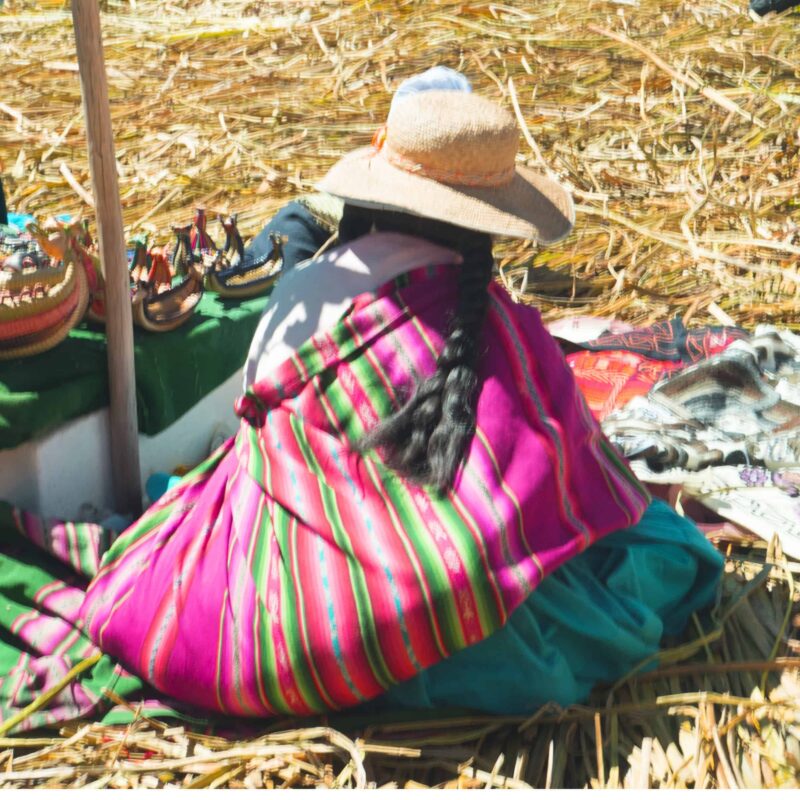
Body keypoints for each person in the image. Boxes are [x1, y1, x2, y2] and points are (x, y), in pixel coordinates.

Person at [1, 69, 722, 724]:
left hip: (331, 629)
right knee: (668, 546)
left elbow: (258, 452)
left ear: (376, 189)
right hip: (482, 616)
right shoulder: (512, 331)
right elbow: (579, 482)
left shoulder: (308, 294)